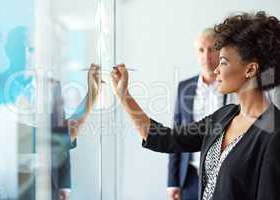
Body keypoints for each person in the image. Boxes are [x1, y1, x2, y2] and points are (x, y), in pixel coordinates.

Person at [111, 11, 280, 200]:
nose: (216, 69)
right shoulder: (225, 116)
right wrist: (124, 95)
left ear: (250, 69)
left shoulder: (274, 134)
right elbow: (167, 138)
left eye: (223, 62)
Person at [167, 28, 236, 200]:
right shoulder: (184, 87)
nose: (207, 56)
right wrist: (172, 182)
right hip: (189, 176)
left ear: (220, 52)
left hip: (223, 174)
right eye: (201, 50)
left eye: (212, 49)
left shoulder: (233, 87)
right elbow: (176, 133)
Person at [17, 64, 101, 200]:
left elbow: (59, 134)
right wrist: (92, 94)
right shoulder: (10, 131)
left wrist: (63, 185)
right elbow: (61, 137)